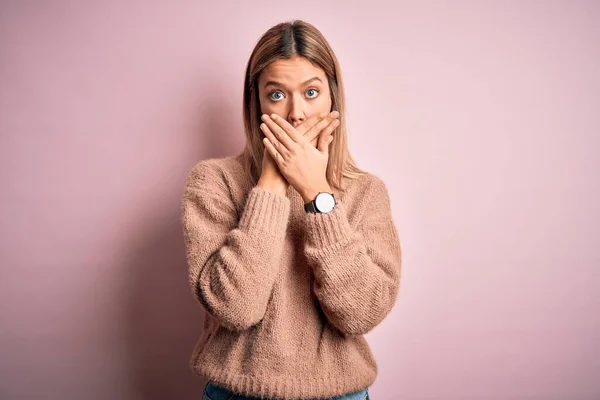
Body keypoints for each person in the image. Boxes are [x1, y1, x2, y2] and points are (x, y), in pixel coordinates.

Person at [181, 19, 402, 400]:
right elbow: (235, 308)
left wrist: (317, 194)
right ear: (257, 104)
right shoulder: (213, 182)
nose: (296, 114)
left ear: (333, 98)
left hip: (339, 395)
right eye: (277, 95)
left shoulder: (366, 192)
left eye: (312, 92)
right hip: (236, 394)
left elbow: (361, 313)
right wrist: (271, 184)